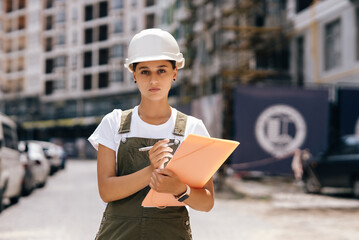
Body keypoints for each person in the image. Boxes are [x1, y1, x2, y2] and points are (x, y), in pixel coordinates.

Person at [88, 28, 214, 240]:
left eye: (162, 70)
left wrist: (181, 189)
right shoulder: (114, 123)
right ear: (134, 74)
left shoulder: (193, 128)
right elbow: (106, 190)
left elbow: (207, 202)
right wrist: (150, 172)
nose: (153, 80)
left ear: (175, 73)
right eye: (145, 71)